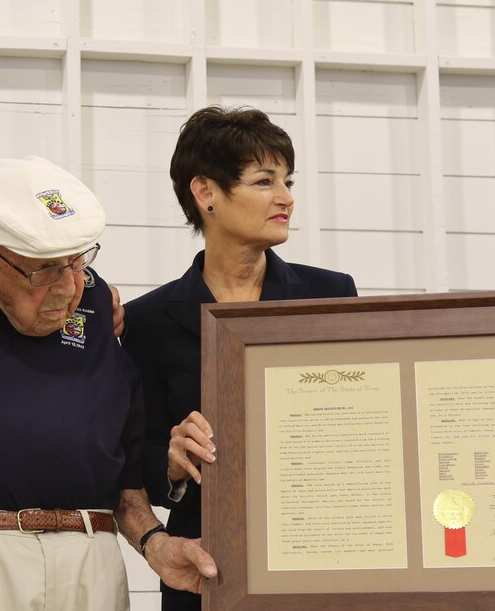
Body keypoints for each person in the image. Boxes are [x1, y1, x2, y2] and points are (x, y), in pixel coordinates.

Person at [0, 156, 217, 610]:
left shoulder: (93, 300)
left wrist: (156, 544)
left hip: (91, 560)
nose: (68, 288)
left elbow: (122, 474)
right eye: (44, 269)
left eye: (77, 262)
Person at [121, 106, 358, 610]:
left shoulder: (330, 297)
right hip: (207, 570)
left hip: (322, 561)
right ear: (205, 192)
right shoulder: (149, 320)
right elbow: (130, 462)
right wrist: (172, 460)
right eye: (264, 181)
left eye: (288, 182)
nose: (286, 198)